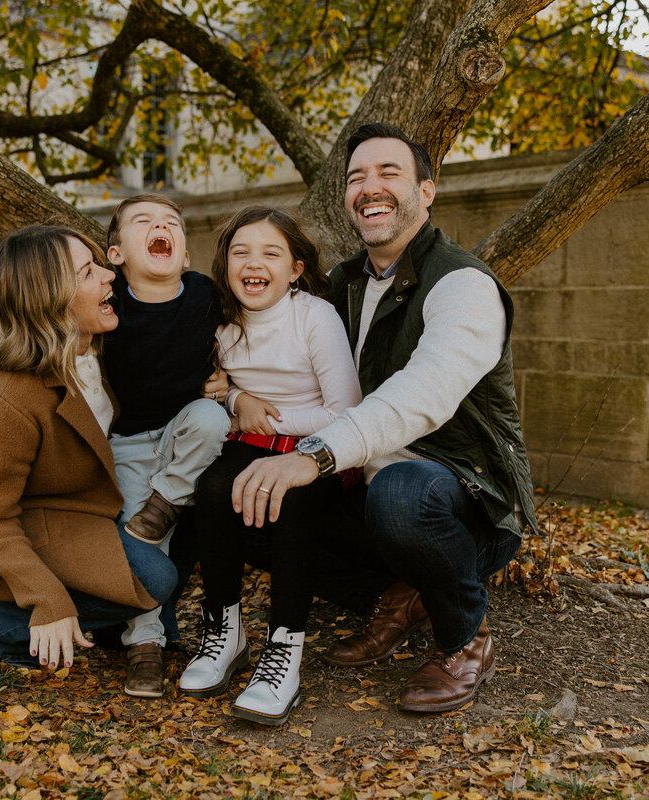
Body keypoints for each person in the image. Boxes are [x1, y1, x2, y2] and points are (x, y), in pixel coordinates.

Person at [231, 123, 538, 713]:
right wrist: (228, 395)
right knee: (250, 504)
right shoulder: (343, 282)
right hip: (364, 480)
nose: (369, 187)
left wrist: (313, 455)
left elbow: (425, 394)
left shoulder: (463, 284)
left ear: (427, 190)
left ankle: (463, 636)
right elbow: (278, 356)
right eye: (356, 178)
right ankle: (405, 590)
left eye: (388, 173)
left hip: (465, 495)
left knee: (402, 496)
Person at [0, 225, 178, 679]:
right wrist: (46, 599)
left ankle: (114, 619)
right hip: (9, 525)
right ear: (51, 299)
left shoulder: (95, 350)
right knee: (156, 577)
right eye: (89, 272)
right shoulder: (6, 402)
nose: (110, 277)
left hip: (74, 508)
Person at [176, 207, 362, 725]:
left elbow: (346, 410)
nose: (253, 263)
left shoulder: (314, 316)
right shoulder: (221, 321)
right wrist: (236, 399)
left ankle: (284, 652)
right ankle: (224, 632)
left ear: (296, 268)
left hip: (318, 445)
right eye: (240, 252)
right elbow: (213, 389)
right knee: (213, 486)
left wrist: (264, 417)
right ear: (225, 264)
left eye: (270, 253)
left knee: (291, 499)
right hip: (251, 437)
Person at [100, 194, 232, 697]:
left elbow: (247, 342)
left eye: (170, 223)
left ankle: (169, 499)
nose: (160, 226)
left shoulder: (204, 295)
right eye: (144, 222)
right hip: (130, 440)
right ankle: (145, 642)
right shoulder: (109, 302)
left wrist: (228, 384)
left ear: (184, 254)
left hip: (186, 431)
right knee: (141, 544)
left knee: (209, 418)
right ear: (116, 255)